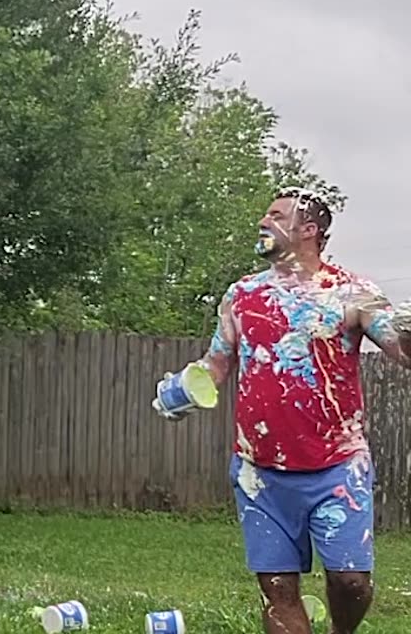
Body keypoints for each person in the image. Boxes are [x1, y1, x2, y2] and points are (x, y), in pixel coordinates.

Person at [156, 187, 411, 634]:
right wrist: (182, 390)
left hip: (337, 467)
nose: (262, 222)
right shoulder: (242, 295)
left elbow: (399, 349)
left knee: (352, 583)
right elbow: (217, 363)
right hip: (261, 472)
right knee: (278, 589)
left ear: (308, 229)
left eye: (274, 215)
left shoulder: (353, 293)